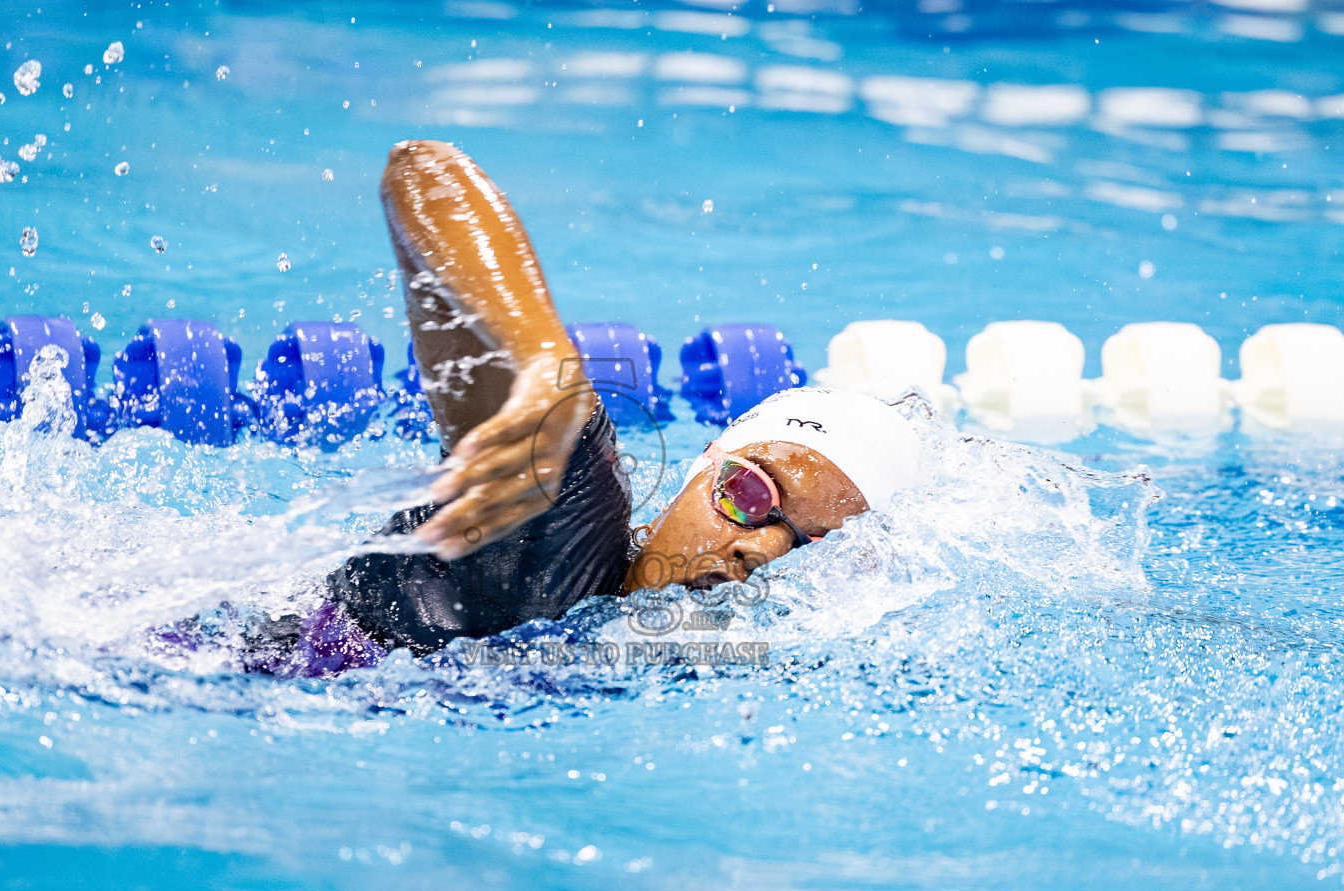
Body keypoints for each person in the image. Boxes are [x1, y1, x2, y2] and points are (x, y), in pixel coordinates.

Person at [241, 140, 922, 676]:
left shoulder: (722, 664)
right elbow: (423, 171)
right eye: (749, 493)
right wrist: (543, 371)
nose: (763, 548)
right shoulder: (560, 509)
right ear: (700, 469)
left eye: (815, 548)